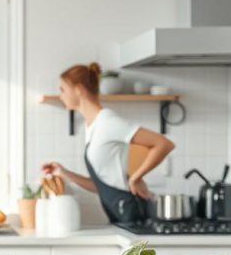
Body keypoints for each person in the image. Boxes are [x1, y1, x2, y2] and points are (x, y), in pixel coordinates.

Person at [42, 62, 174, 224]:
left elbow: (163, 143)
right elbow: (101, 187)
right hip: (119, 216)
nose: (60, 95)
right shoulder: (92, 126)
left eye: (63, 89)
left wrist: (136, 178)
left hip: (132, 214)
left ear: (79, 89)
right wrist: (64, 173)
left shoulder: (108, 121)